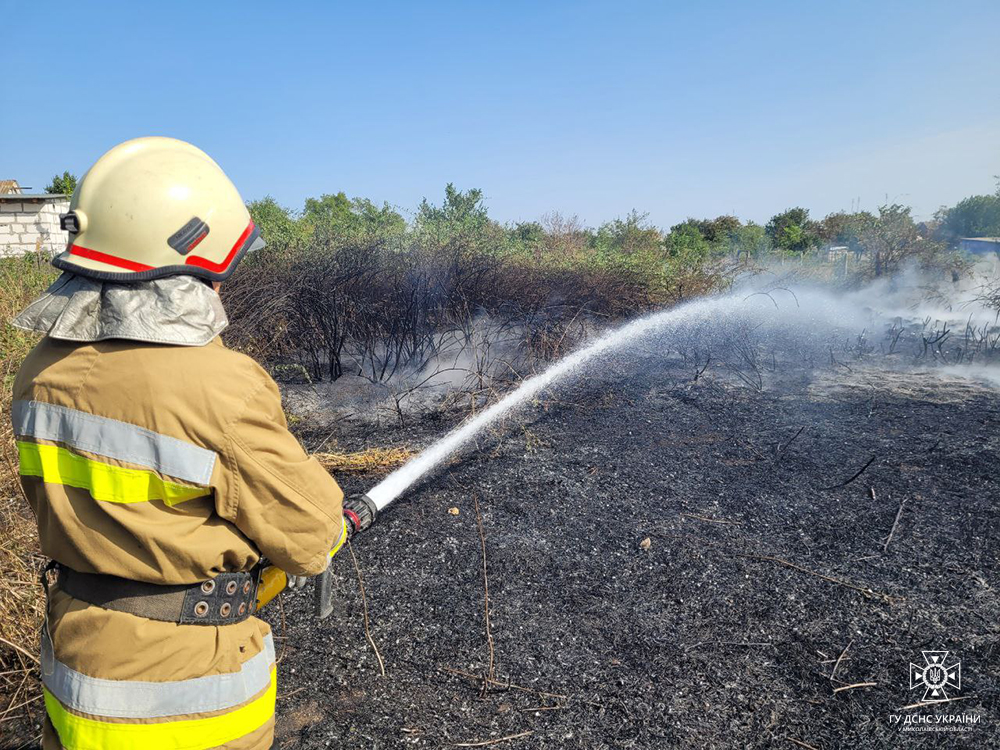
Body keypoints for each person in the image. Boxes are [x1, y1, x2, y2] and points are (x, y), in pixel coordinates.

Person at [11, 137, 346, 750]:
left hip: (76, 670)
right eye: (218, 273)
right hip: (188, 701)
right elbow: (311, 533)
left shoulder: (38, 371)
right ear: (187, 264)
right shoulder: (215, 386)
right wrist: (329, 524)